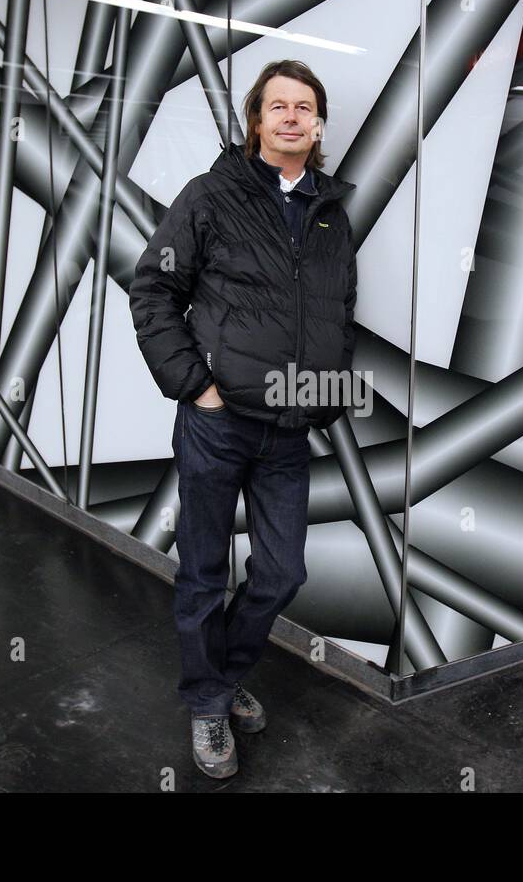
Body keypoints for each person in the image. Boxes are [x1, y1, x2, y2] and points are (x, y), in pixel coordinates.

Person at [128, 60, 358, 779]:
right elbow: (154, 288)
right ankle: (209, 703)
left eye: (305, 107)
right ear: (257, 120)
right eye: (278, 106)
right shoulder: (211, 196)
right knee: (202, 571)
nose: (292, 116)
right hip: (217, 422)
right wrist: (194, 387)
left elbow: (337, 313)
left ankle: (220, 680)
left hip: (288, 429)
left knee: (282, 571)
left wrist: (323, 389)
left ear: (317, 126)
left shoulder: (330, 212)